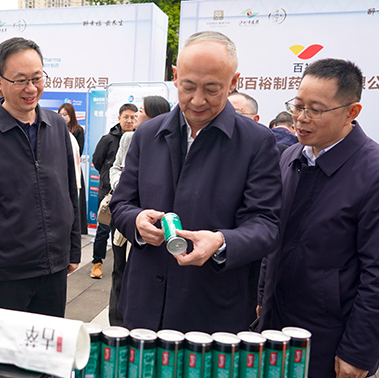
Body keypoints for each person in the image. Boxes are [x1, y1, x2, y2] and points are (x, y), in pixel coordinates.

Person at [110, 31, 281, 333]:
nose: (198, 100)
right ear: (175, 76)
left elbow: (265, 224)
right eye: (188, 87)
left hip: (212, 308)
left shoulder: (256, 142)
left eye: (212, 89)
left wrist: (221, 241)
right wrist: (136, 221)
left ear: (233, 82)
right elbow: (121, 203)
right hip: (145, 303)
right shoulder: (147, 135)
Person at [258, 59, 379, 378]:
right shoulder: (290, 158)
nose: (301, 118)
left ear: (352, 112)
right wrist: (262, 296)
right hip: (275, 331)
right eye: (298, 106)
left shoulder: (377, 173)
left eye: (315, 110)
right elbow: (272, 237)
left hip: (329, 346)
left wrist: (358, 351)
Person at [0, 37, 81, 318]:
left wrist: (73, 249)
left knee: (48, 342)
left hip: (53, 269)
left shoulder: (56, 125)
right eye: (21, 81)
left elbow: (68, 191)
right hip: (5, 275)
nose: (31, 88)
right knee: (4, 346)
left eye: (37, 78)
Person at [106, 95, 170, 326]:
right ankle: (117, 321)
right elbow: (115, 167)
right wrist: (121, 185)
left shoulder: (167, 141)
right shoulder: (129, 138)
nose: (135, 117)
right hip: (128, 215)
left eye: (141, 111)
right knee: (120, 268)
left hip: (156, 225)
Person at [90, 103, 137, 279]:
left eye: (133, 117)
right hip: (107, 192)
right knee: (103, 229)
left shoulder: (138, 138)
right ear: (119, 118)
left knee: (120, 232)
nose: (129, 120)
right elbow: (97, 161)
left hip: (126, 197)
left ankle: (120, 267)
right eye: (126, 117)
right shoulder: (108, 139)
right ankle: (97, 263)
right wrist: (108, 178)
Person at [59, 102, 87, 235]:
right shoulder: (56, 129)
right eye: (60, 114)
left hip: (73, 168)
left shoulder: (78, 130)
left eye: (65, 114)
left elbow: (78, 152)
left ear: (71, 115)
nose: (62, 117)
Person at [230, 91, 287, 155]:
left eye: (237, 113)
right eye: (224, 113)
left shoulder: (278, 152)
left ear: (255, 119)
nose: (229, 117)